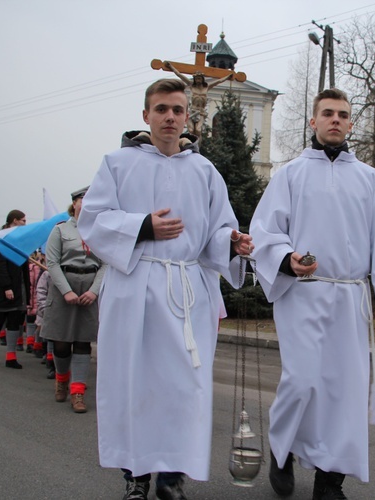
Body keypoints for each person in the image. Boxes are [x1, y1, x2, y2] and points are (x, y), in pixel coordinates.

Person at [77, 78, 253, 500]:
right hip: (134, 286)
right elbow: (93, 223)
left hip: (186, 292)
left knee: (182, 388)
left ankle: (172, 478)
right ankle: (135, 477)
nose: (170, 117)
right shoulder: (117, 163)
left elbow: (217, 227)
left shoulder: (204, 170)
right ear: (146, 116)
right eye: (161, 109)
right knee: (133, 383)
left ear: (187, 117)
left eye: (177, 109)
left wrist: (231, 241)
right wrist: (142, 226)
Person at [249, 88, 375, 500]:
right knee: (302, 380)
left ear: (351, 124)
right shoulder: (290, 175)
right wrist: (287, 259)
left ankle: (329, 481)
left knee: (344, 389)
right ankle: (282, 448)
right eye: (327, 114)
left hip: (350, 297)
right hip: (303, 293)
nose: (336, 120)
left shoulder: (367, 178)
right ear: (313, 121)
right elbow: (264, 232)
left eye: (343, 115)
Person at [40, 187, 105, 413]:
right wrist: (66, 290)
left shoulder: (99, 231)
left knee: (82, 341)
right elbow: (52, 263)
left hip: (89, 288)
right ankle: (61, 379)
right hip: (63, 288)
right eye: (81, 199)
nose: (85, 203)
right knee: (61, 341)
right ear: (74, 204)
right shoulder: (60, 231)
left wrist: (94, 291)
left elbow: (106, 263)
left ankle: (77, 392)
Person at [0, 210, 30, 369]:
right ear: (14, 221)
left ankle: (11, 356)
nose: (25, 223)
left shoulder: (20, 240)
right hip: (2, 288)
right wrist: (7, 287)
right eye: (22, 220)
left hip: (18, 285)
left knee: (15, 320)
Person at [164, 62, 233, 137]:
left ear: (202, 79)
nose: (198, 80)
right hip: (192, 110)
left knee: (198, 130)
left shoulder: (206, 87)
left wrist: (228, 76)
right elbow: (180, 75)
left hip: (201, 112)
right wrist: (171, 67)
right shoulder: (191, 85)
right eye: (196, 79)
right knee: (190, 130)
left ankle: (197, 145)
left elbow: (218, 81)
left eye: (199, 78)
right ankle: (191, 143)